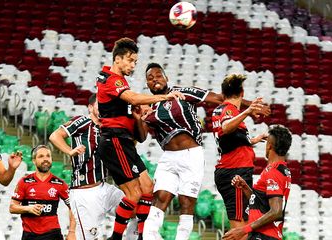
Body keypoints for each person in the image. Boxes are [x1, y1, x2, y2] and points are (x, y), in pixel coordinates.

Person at [96, 37, 185, 240]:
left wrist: (137, 115)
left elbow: (141, 135)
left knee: (147, 188)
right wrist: (165, 96)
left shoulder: (120, 81)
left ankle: (142, 235)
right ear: (117, 59)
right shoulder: (110, 78)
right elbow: (134, 98)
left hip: (124, 141)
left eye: (135, 61)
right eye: (130, 60)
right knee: (134, 194)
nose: (133, 65)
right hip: (114, 140)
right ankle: (116, 238)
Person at [140, 62, 232, 240]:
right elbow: (142, 136)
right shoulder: (148, 106)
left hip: (191, 154)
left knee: (186, 203)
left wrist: (250, 106)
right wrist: (140, 117)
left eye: (158, 75)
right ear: (147, 85)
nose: (155, 80)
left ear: (166, 78)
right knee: (160, 197)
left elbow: (219, 99)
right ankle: (150, 236)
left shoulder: (183, 93)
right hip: (168, 157)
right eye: (150, 79)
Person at [49, 93, 138, 240]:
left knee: (136, 209)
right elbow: (54, 136)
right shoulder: (82, 122)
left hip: (105, 188)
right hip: (84, 192)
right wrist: (69, 151)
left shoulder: (109, 128)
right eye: (100, 104)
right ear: (90, 107)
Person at [211, 74, 268, 232]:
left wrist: (253, 140)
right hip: (235, 173)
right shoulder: (229, 111)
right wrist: (248, 111)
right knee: (240, 227)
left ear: (223, 94)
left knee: (243, 225)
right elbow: (226, 127)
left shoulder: (220, 110)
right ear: (242, 93)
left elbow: (228, 138)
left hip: (232, 169)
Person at [223, 125, 292, 240]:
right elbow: (261, 203)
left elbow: (276, 211)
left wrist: (243, 230)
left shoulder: (273, 171)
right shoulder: (282, 170)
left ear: (269, 145)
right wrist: (245, 188)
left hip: (264, 235)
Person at [9, 145, 76, 240]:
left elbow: (73, 207)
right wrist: (28, 209)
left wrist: (72, 232)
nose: (45, 159)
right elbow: (12, 208)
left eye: (48, 156)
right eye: (41, 156)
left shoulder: (60, 183)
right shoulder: (24, 181)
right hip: (30, 235)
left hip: (52, 234)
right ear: (34, 161)